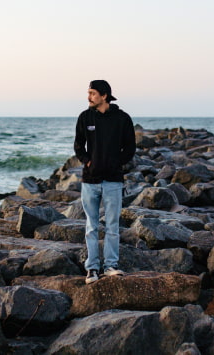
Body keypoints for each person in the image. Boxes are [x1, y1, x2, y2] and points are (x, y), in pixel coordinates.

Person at [74, 80, 136, 284]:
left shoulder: (122, 118)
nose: (88, 96)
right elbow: (78, 146)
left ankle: (111, 266)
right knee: (91, 226)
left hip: (113, 181)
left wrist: (115, 163)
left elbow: (130, 148)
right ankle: (91, 269)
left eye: (92, 93)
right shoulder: (85, 117)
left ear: (104, 95)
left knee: (112, 226)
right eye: (88, 93)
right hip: (90, 180)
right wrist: (87, 161)